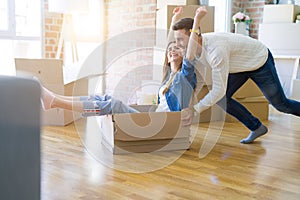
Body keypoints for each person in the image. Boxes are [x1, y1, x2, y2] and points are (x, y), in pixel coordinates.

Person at [40, 7, 208, 119]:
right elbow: (169, 43)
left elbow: (190, 53)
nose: (172, 50)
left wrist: (197, 20)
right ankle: (56, 99)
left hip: (164, 125)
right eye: (171, 48)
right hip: (155, 121)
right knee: (105, 97)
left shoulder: (185, 76)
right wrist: (174, 20)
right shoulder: (167, 76)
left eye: (178, 49)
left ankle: (55, 102)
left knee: (114, 104)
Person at [171, 6, 300, 143]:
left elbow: (218, 90)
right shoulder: (194, 50)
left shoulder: (216, 51)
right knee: (223, 99)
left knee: (281, 104)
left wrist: (195, 110)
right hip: (239, 65)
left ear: (194, 36)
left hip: (259, 59)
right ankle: (256, 127)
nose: (177, 44)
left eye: (180, 39)